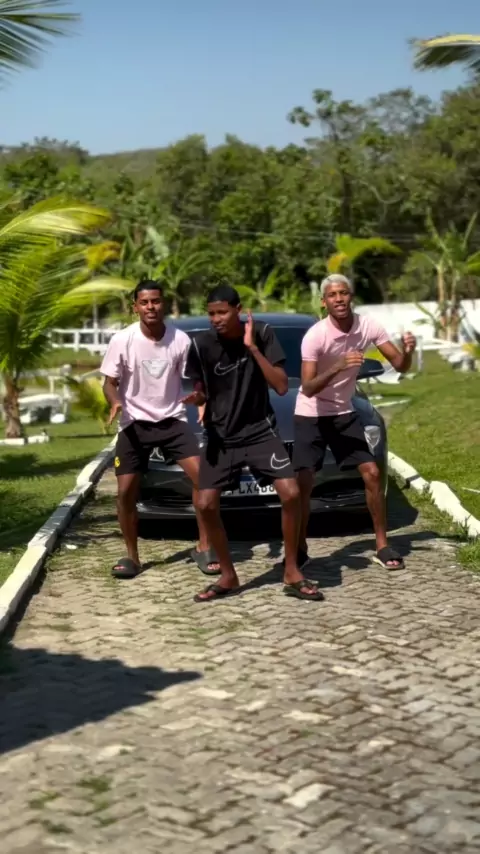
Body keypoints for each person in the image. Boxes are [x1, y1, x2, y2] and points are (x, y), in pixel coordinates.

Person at [183, 282, 324, 603]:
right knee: (205, 504)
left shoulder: (262, 333)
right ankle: (228, 575)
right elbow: (201, 387)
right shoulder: (201, 344)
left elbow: (280, 386)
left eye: (222, 312)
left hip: (260, 432)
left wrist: (253, 349)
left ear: (237, 310)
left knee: (291, 494)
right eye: (211, 314)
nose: (216, 319)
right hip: (221, 436)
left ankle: (291, 570)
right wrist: (198, 398)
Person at [293, 273, 417, 570]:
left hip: (342, 412)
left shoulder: (368, 326)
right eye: (332, 295)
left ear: (351, 297)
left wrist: (408, 351)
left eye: (344, 293)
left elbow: (399, 365)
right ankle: (298, 547)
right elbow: (307, 387)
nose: (339, 299)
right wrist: (337, 366)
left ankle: (382, 545)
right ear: (323, 302)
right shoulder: (316, 336)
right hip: (310, 413)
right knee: (304, 483)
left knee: (372, 473)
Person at [100, 279, 218, 579]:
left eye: (155, 301)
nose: (150, 307)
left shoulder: (180, 340)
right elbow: (109, 383)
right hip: (134, 424)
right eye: (144, 302)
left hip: (172, 422)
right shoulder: (122, 340)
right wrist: (115, 401)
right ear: (135, 307)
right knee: (125, 491)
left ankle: (204, 546)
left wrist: (199, 395)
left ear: (163, 304)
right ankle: (132, 556)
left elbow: (196, 378)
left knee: (203, 480)